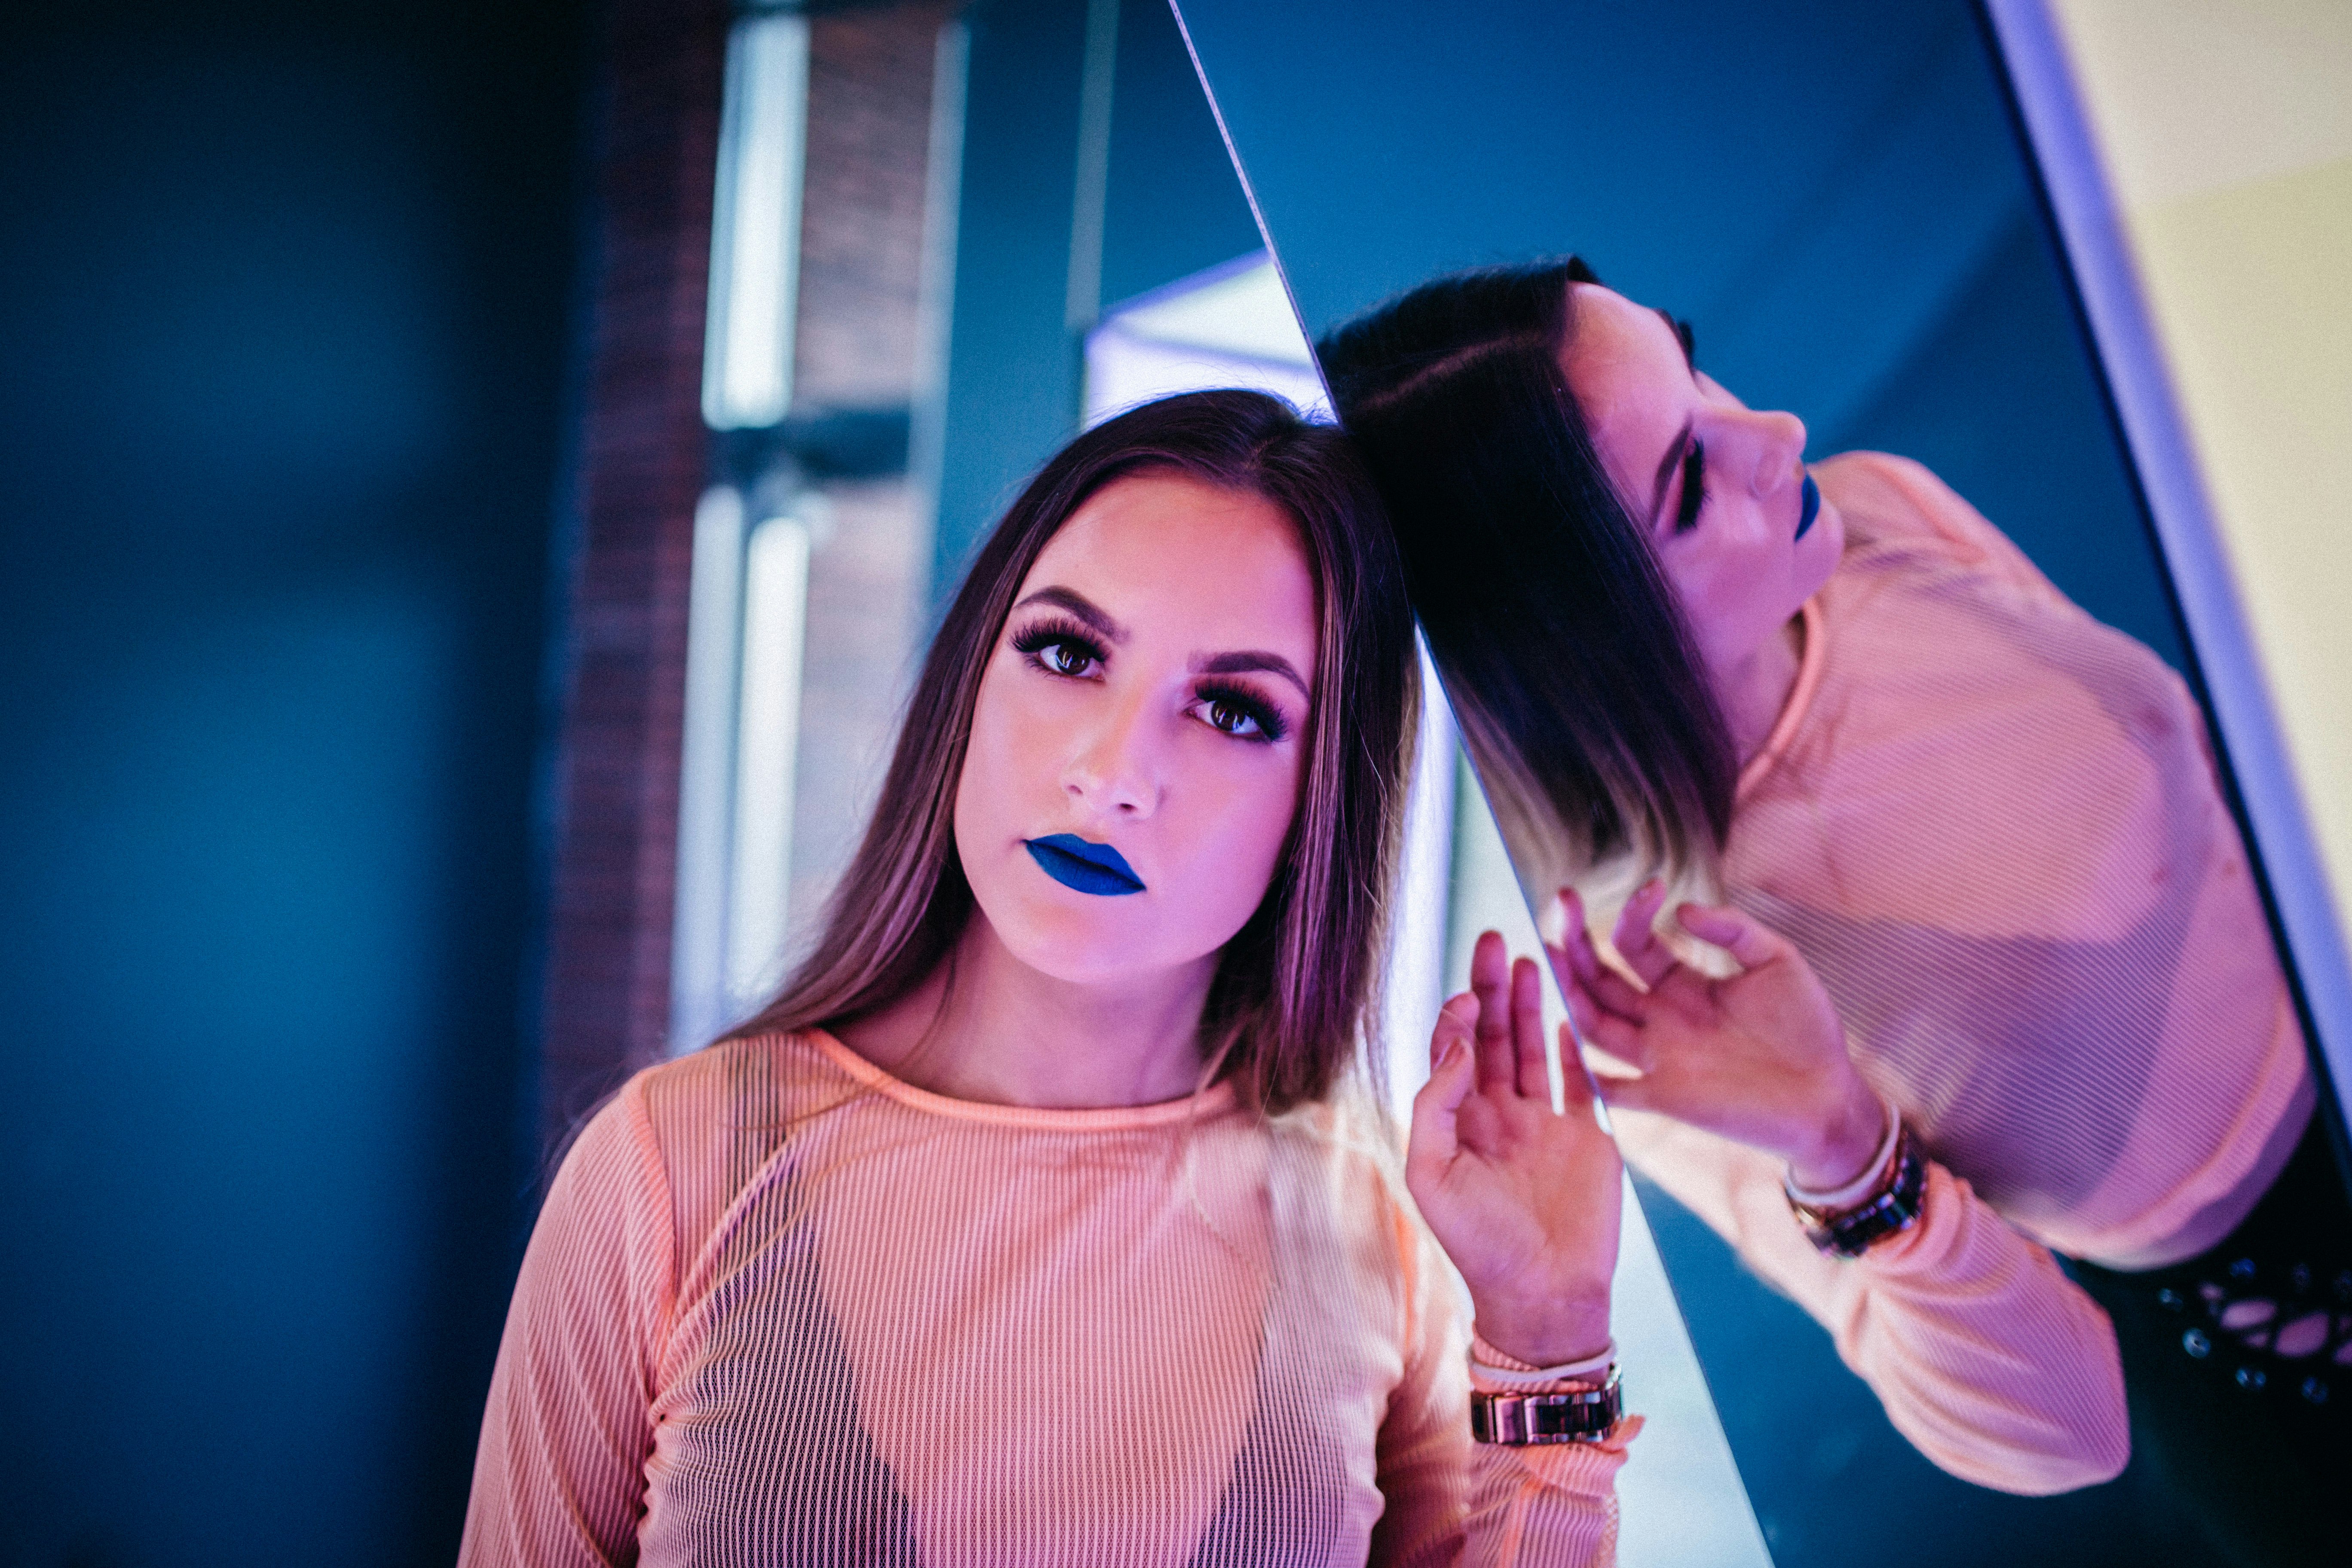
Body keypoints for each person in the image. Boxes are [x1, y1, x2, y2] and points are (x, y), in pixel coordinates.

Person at [459, 390, 1641, 1566]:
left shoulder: (1376, 1225)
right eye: (1069, 653)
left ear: (1322, 801)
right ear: (973, 679)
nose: (1112, 773)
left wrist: (1550, 1340)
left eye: (1232, 710)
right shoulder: (677, 1166)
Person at [1318, 258, 2348, 1561]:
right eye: (1692, 482)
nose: (1777, 436)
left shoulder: (1883, 512)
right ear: (1575, 643)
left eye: (1692, 367)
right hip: (2290, 1329)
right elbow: (2067, 1433)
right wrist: (1841, 1141)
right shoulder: (1668, 987)